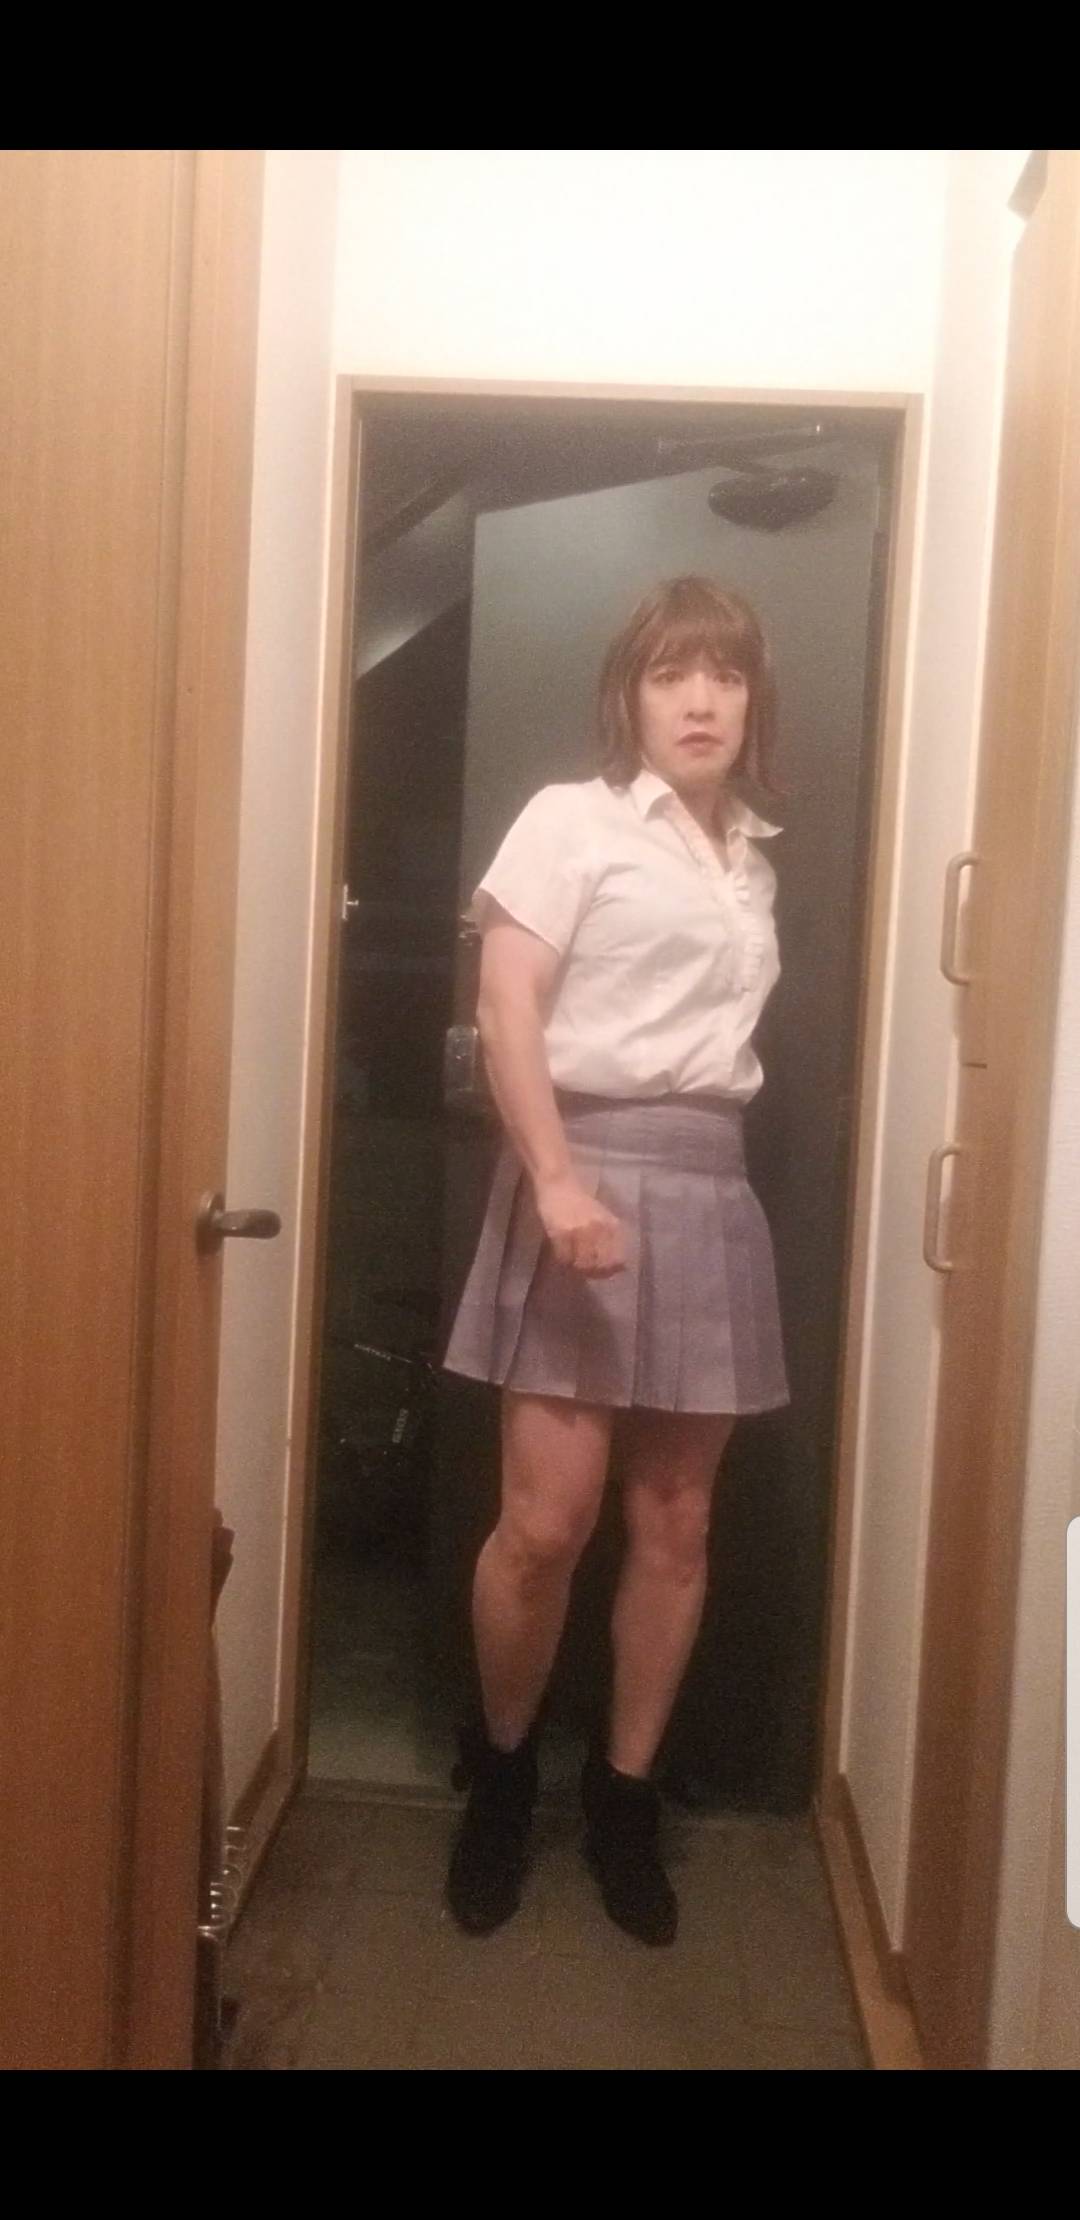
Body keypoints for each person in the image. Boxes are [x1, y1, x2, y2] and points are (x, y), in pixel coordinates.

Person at [440, 574, 790, 1946]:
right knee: (546, 1526)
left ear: (753, 700)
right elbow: (506, 1003)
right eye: (670, 674)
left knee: (678, 1523)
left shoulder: (750, 860)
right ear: (628, 695)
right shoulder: (568, 821)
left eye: (726, 675)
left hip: (709, 1187)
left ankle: (624, 1799)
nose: (700, 700)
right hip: (580, 1176)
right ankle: (502, 1774)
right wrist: (556, 1179)